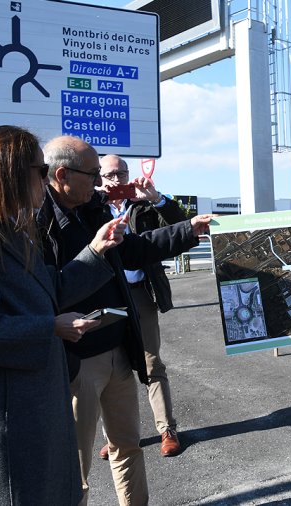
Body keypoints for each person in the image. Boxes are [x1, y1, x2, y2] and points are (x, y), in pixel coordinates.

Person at [38, 135, 212, 506]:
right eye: (94, 174)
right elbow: (43, 291)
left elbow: (135, 250)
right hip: (75, 361)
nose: (103, 182)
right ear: (62, 174)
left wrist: (188, 229)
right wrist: (95, 251)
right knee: (75, 465)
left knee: (127, 447)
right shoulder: (37, 221)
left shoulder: (95, 208)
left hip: (118, 347)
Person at [0, 125, 127, 505]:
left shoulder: (14, 229)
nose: (46, 178)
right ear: (10, 172)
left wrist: (95, 250)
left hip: (39, 399)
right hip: (11, 411)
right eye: (40, 170)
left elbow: (49, 291)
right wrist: (50, 327)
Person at [96, 154, 188, 459]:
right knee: (109, 365)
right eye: (109, 175)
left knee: (151, 362)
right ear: (99, 178)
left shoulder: (143, 204)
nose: (116, 180)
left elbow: (181, 228)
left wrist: (157, 199)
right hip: (104, 293)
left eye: (121, 174)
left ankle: (167, 430)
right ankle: (116, 437)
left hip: (139, 291)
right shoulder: (90, 207)